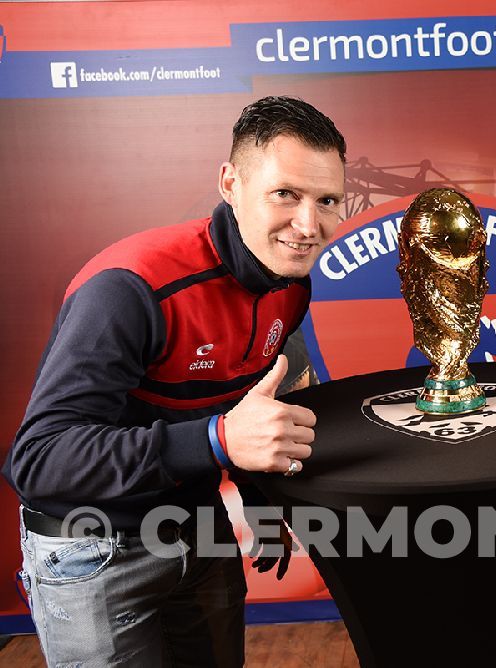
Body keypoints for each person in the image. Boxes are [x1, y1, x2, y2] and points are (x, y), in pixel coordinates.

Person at [4, 96, 347, 666]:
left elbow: (252, 409)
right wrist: (215, 441)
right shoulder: (129, 288)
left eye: (327, 200)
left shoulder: (290, 281)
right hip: (90, 542)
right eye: (285, 194)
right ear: (230, 184)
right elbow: (39, 461)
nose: (308, 226)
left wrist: (264, 510)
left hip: (197, 524)